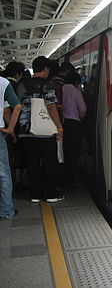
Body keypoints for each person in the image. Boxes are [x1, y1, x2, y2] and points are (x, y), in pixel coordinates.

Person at [16, 56, 64, 203]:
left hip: (25, 130)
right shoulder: (47, 84)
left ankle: (35, 195)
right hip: (44, 131)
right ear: (45, 69)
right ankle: (50, 194)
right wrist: (59, 127)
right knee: (50, 162)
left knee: (33, 163)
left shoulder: (22, 85)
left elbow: (18, 106)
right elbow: (51, 107)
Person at [0, 76, 22, 220]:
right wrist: (11, 129)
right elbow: (17, 106)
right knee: (3, 174)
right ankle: (6, 210)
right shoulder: (3, 82)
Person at [62, 71, 86, 188]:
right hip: (73, 124)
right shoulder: (75, 92)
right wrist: (81, 118)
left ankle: (62, 178)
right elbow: (83, 109)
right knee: (73, 153)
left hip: (61, 123)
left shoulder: (61, 88)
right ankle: (69, 181)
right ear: (76, 81)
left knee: (64, 152)